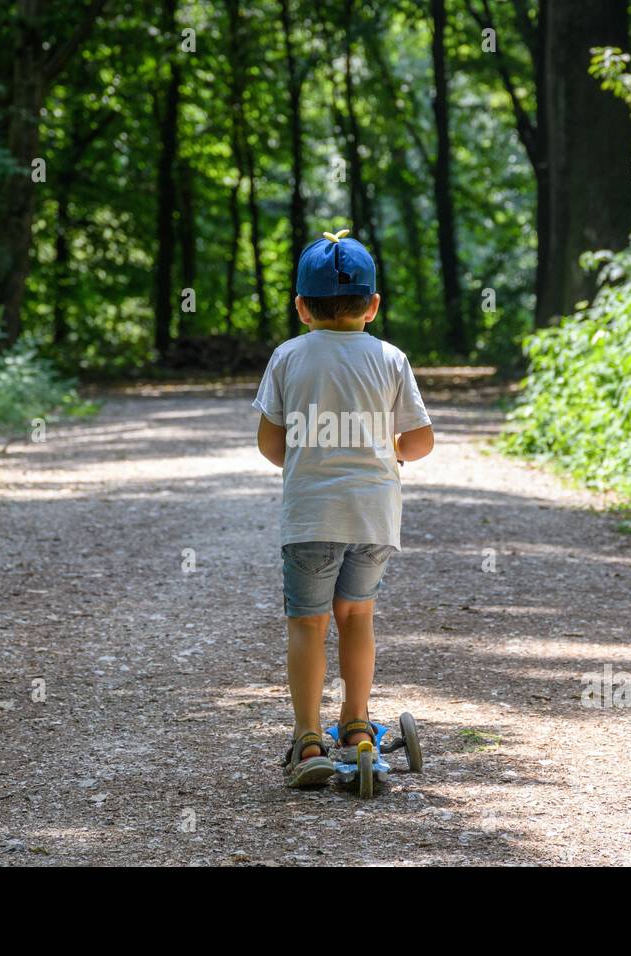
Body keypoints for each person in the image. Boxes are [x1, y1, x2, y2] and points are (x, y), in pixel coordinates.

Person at [252, 228, 435, 788]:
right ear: (373, 305)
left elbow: (269, 444)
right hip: (375, 518)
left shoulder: (288, 357)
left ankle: (308, 741)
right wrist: (393, 454)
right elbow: (421, 440)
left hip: (310, 515)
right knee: (356, 617)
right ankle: (356, 728)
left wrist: (306, 457)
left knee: (307, 623)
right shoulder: (390, 358)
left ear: (302, 307)